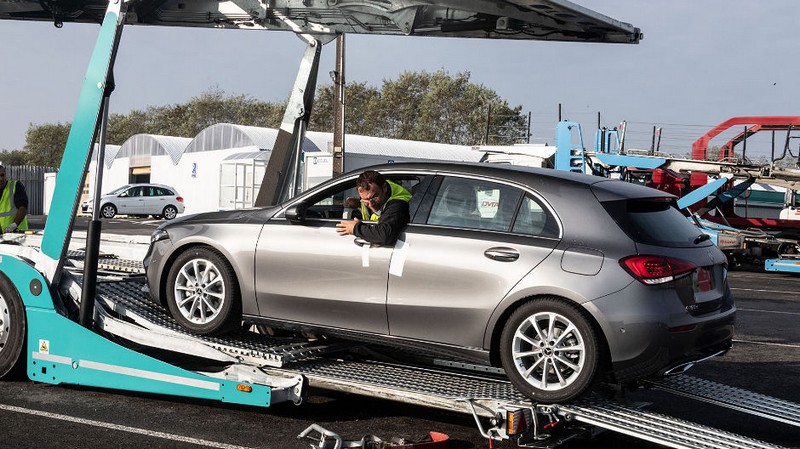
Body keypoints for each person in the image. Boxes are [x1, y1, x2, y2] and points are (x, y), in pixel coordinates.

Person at [336, 170, 411, 246]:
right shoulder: (377, 191)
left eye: (374, 197)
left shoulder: (398, 203)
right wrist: (358, 203)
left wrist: (355, 228)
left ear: (384, 188)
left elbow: (383, 235)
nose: (370, 204)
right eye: (365, 200)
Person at [0, 165, 29, 234]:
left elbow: (23, 207)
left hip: (17, 234)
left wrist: (14, 225)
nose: (0, 179)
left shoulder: (15, 186)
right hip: (3, 235)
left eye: (2, 175)